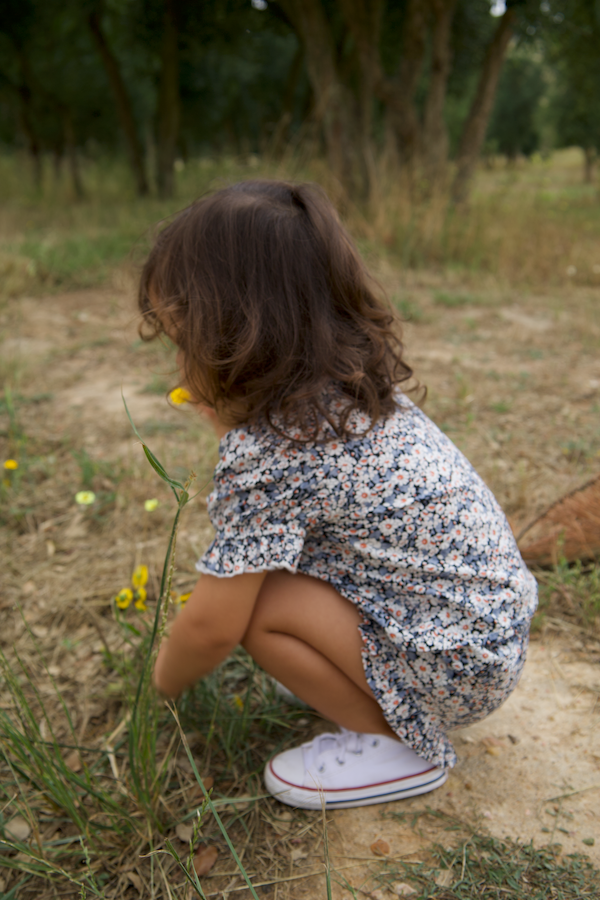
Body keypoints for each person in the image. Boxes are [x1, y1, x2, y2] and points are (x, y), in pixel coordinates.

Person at [138, 180, 537, 810]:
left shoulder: (270, 455)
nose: (177, 364)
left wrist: (155, 687)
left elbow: (214, 625)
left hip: (452, 663)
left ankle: (399, 744)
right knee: (277, 579)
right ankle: (376, 688)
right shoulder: (349, 392)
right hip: (482, 635)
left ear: (231, 341)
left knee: (259, 605)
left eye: (182, 342)